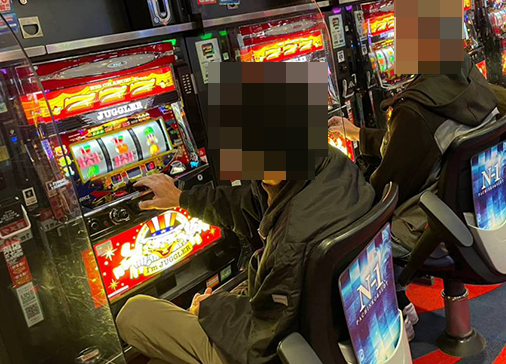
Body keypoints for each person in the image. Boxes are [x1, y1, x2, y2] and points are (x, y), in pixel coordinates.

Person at [116, 151, 375, 364]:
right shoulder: (332, 163)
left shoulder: (292, 241)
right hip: (334, 322)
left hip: (284, 348)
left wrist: (209, 307)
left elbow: (262, 341)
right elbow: (250, 204)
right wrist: (182, 198)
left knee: (133, 314)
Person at [329, 54, 498, 252]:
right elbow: (414, 144)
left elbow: (387, 190)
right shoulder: (468, 73)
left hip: (420, 228)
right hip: (476, 209)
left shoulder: (416, 109)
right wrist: (359, 134)